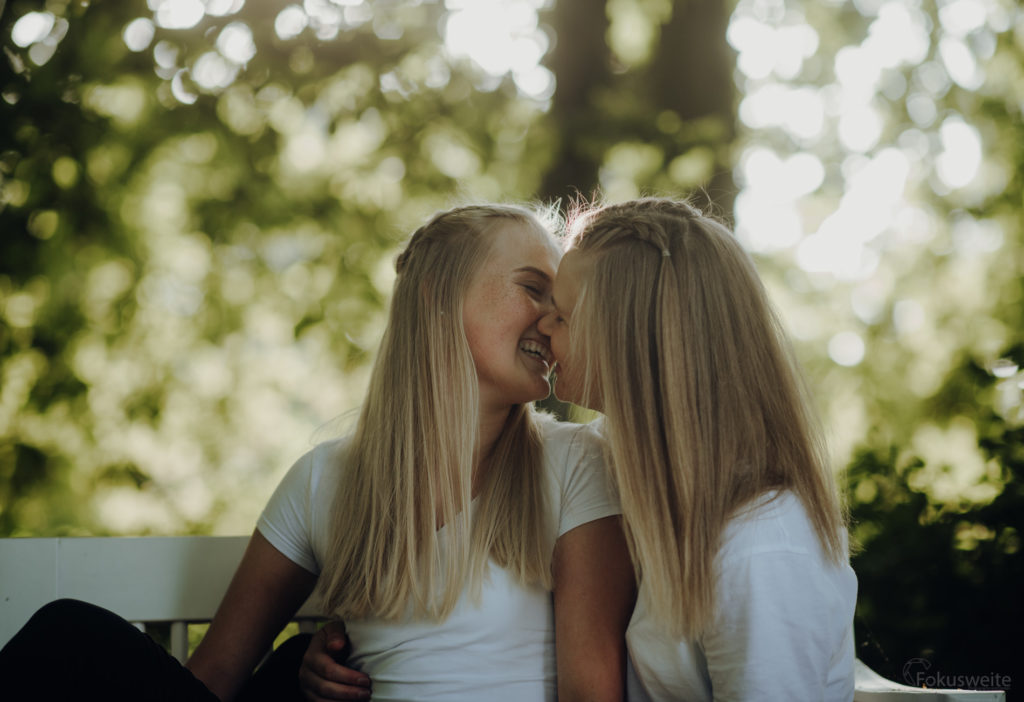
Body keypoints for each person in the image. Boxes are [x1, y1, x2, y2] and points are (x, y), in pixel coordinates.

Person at [0, 203, 635, 702]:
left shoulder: (575, 464)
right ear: (438, 295)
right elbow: (213, 678)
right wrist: (298, 675)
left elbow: (592, 693)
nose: (552, 319)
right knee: (68, 635)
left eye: (557, 302)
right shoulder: (323, 479)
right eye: (533, 288)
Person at [534, 197, 858, 701]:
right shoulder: (626, 469)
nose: (542, 326)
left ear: (632, 342)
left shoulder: (759, 549)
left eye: (563, 316)